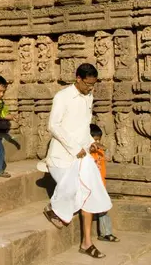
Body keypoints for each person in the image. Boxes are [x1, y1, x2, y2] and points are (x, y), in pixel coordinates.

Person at [42, 63, 112, 260]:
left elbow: (82, 127)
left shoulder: (88, 97)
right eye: (88, 84)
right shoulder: (62, 97)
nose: (91, 89)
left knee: (89, 192)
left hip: (82, 155)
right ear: (78, 79)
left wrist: (92, 143)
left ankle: (86, 243)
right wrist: (75, 148)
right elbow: (53, 126)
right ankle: (54, 207)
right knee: (77, 190)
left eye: (93, 85)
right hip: (61, 157)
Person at [90, 124, 120, 243]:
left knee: (104, 208)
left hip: (100, 184)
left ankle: (106, 233)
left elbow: (107, 156)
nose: (97, 142)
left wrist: (104, 150)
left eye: (98, 139)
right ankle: (105, 233)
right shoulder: (89, 151)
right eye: (94, 139)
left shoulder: (100, 151)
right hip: (90, 184)